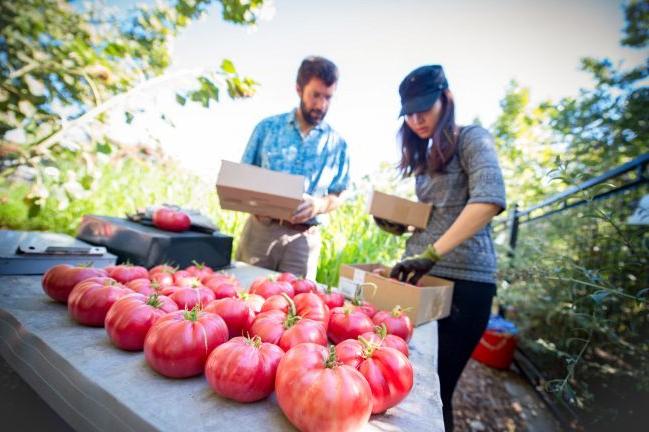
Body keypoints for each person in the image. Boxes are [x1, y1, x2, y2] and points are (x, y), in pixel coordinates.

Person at [376, 65, 506, 431]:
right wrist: (399, 225)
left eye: (425, 108)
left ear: (445, 99)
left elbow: (488, 200)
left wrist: (432, 253)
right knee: (407, 383)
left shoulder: (472, 138)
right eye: (410, 113)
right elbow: (438, 219)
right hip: (423, 280)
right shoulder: (425, 156)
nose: (417, 119)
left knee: (435, 392)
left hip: (465, 284)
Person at [236, 56, 350, 280]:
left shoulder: (337, 144)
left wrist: (319, 204)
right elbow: (242, 176)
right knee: (244, 294)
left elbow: (341, 192)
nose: (321, 105)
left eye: (328, 97)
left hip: (303, 241)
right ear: (299, 89)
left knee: (296, 308)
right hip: (261, 232)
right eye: (315, 95)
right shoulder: (267, 128)